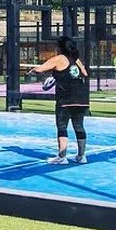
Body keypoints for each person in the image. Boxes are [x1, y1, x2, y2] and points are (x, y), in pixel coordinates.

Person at [31, 36, 90, 164]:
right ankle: (81, 156)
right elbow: (84, 73)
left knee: (62, 126)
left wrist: (32, 71)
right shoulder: (76, 59)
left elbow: (40, 69)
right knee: (79, 126)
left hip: (66, 98)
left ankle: (62, 157)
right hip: (82, 97)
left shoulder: (58, 59)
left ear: (60, 47)